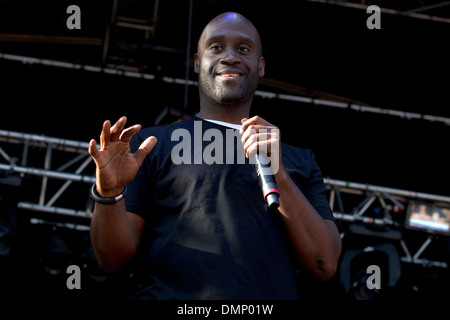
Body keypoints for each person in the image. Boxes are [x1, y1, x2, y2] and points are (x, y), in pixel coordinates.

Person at [88, 12, 341, 300]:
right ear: (197, 62)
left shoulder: (298, 160)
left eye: (243, 49)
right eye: (216, 47)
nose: (230, 57)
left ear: (260, 67)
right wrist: (109, 192)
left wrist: (279, 173)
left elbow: (325, 263)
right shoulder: (152, 145)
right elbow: (111, 259)